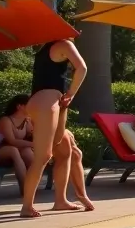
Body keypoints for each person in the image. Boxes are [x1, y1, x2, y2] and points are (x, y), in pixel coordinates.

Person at [21, 38, 92, 218]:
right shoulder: (64, 44)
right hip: (48, 103)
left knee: (65, 149)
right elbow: (82, 68)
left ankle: (61, 200)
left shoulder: (44, 49)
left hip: (47, 101)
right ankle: (26, 206)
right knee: (43, 156)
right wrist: (71, 93)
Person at [0, 95, 35, 189]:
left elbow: (32, 136)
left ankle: (32, 187)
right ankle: (25, 188)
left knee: (27, 152)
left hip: (18, 148)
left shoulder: (26, 121)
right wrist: (33, 144)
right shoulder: (6, 120)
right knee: (13, 151)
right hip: (1, 150)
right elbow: (12, 141)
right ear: (19, 106)